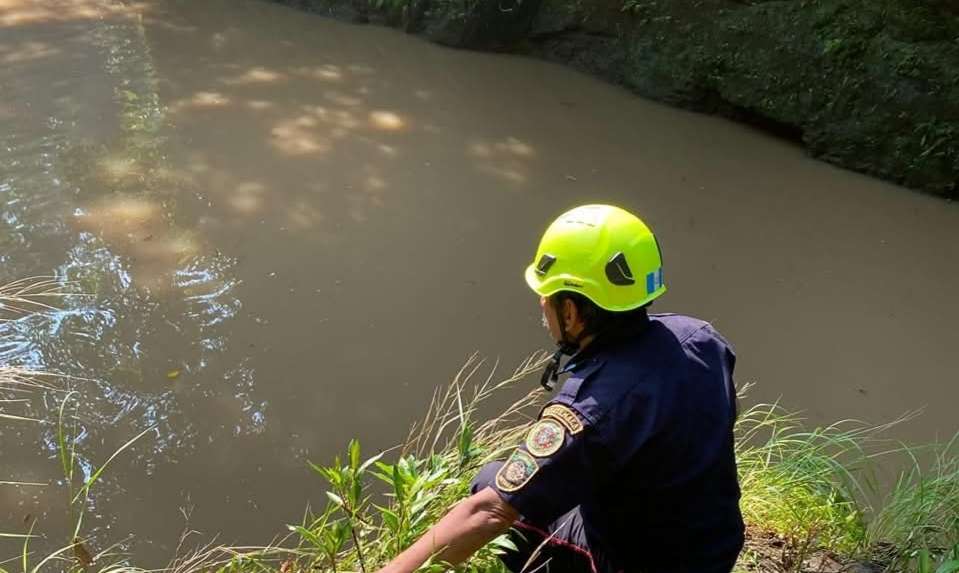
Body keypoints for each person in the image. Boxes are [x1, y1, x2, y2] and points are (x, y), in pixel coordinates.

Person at [375, 204, 744, 573]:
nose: (542, 304)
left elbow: (489, 512)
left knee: (488, 483)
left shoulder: (589, 409)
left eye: (547, 296)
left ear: (570, 311)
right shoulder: (700, 337)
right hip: (714, 550)